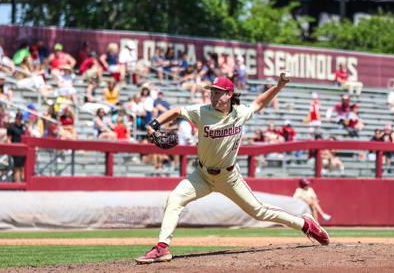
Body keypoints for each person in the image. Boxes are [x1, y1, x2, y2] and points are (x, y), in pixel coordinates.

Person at [135, 74, 330, 264]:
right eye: (212, 92)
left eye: (218, 92)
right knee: (175, 199)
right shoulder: (201, 111)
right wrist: (153, 125)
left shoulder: (240, 113)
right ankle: (162, 247)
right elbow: (177, 111)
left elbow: (260, 102)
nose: (213, 96)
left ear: (229, 94)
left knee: (259, 212)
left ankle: (305, 224)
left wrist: (279, 86)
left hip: (229, 178)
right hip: (201, 175)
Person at [7, 112, 26, 182]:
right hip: (15, 149)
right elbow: (9, 139)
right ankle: (18, 185)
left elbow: (27, 135)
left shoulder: (23, 127)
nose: (19, 120)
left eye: (20, 118)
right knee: (17, 168)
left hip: (23, 149)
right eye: (18, 118)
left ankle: (22, 185)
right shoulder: (11, 127)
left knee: (23, 168)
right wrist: (10, 150)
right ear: (15, 118)